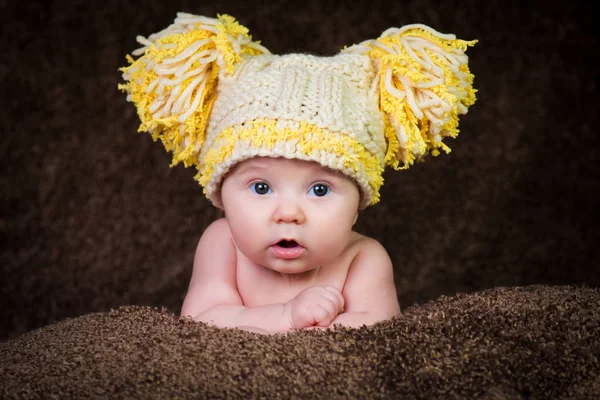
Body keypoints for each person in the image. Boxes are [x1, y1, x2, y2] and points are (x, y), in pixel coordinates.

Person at [119, 12, 476, 333]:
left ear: (358, 205)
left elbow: (378, 330)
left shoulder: (363, 258)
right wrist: (286, 317)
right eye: (260, 187)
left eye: (320, 190)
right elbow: (202, 319)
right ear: (220, 194)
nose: (288, 214)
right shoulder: (222, 243)